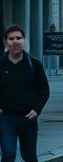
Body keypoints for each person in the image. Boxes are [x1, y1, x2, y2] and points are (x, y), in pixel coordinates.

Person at [0, 25, 49, 162]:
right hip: (6, 118)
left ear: (24, 41)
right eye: (11, 39)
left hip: (28, 118)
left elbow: (44, 90)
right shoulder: (1, 64)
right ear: (5, 42)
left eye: (19, 38)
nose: (15, 41)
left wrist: (37, 109)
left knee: (29, 156)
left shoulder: (34, 64)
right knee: (9, 154)